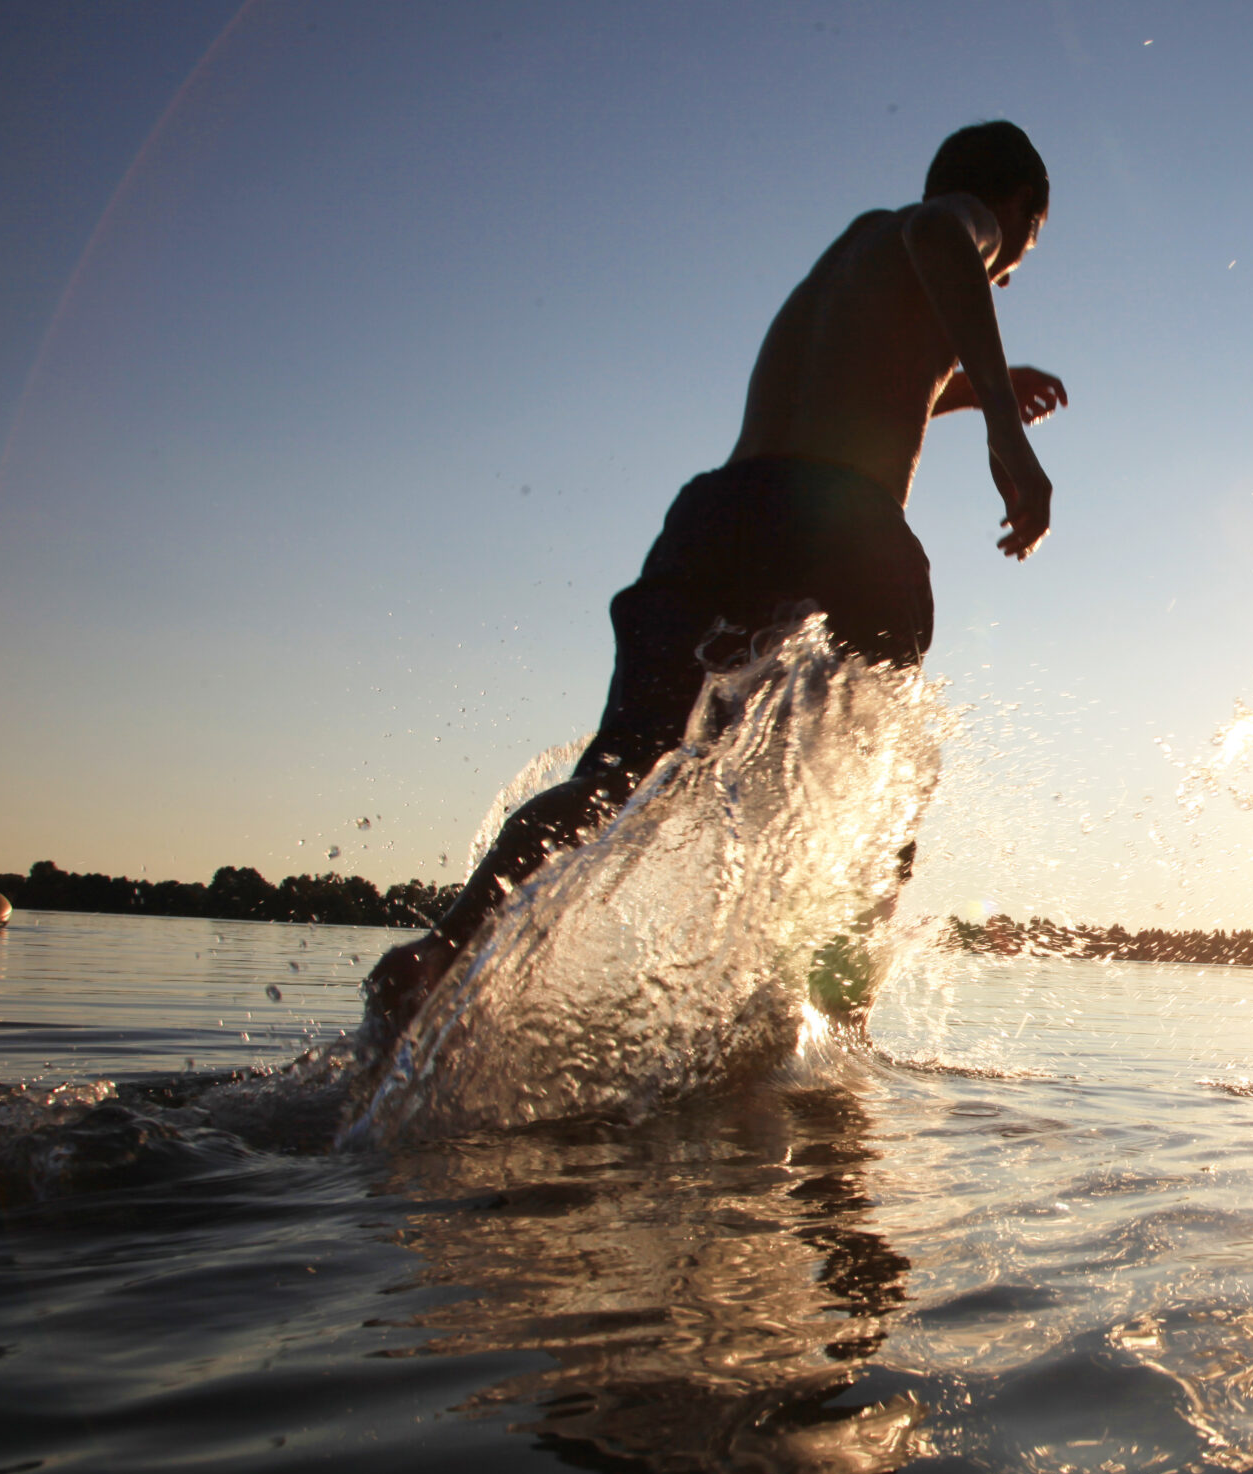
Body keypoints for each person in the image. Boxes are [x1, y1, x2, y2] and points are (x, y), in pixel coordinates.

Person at [365, 122, 1067, 1036]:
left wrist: (974, 386)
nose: (1005, 275)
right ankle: (837, 1038)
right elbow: (947, 239)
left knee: (620, 772)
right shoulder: (949, 223)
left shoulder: (852, 259)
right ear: (1016, 206)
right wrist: (1005, 429)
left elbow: (864, 382)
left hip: (721, 515)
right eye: (1020, 250)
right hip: (842, 528)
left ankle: (439, 953)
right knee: (877, 791)